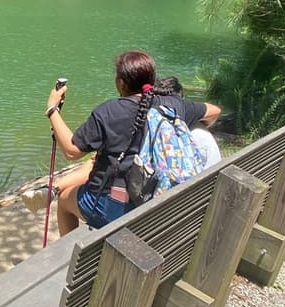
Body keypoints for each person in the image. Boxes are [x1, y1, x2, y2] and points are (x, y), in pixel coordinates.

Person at [45, 50, 221, 235]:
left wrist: (52, 110)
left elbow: (72, 151)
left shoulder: (109, 111)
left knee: (65, 200)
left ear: (121, 83)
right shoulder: (173, 104)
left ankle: (71, 256)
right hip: (158, 198)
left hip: (116, 207)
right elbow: (215, 111)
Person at [154, 76, 223, 168]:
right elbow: (216, 111)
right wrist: (204, 123)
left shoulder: (159, 107)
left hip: (194, 177)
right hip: (212, 174)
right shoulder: (184, 108)